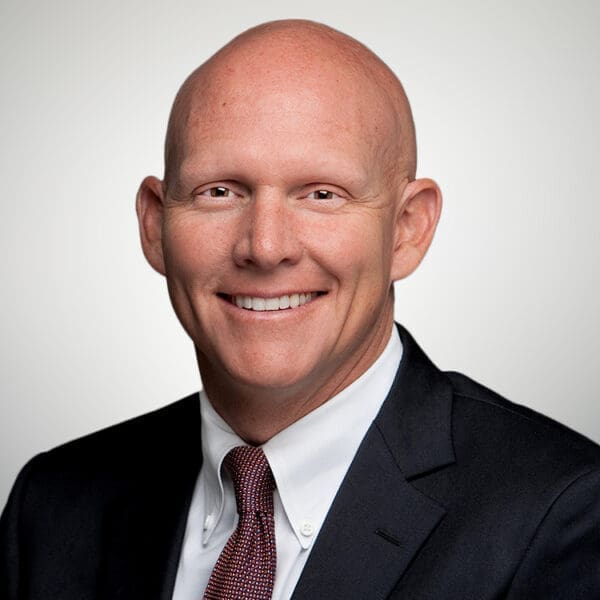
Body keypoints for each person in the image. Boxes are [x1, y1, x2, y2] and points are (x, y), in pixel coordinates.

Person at [1, 19, 599, 600]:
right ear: (155, 226)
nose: (265, 247)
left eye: (321, 194)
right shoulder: (51, 506)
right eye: (220, 192)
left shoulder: (562, 512)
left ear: (406, 230)